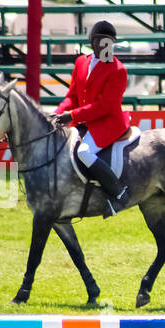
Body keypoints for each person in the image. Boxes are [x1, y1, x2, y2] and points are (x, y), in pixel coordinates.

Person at [54, 20, 133, 217]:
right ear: (92, 41)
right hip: (85, 120)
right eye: (99, 40)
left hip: (108, 122)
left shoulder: (118, 69)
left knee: (84, 152)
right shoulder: (81, 62)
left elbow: (105, 105)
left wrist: (72, 115)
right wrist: (58, 113)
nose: (103, 45)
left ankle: (118, 193)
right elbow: (72, 96)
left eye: (108, 41)